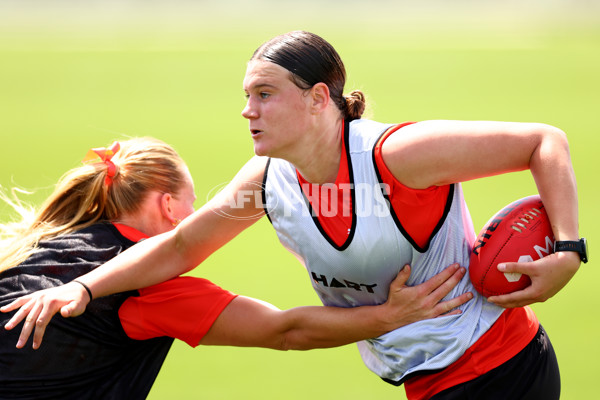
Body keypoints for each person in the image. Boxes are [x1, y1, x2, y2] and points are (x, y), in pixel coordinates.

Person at [2, 31, 585, 399]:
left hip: (499, 367)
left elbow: (543, 142)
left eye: (264, 94)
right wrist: (81, 287)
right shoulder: (264, 183)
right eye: (246, 95)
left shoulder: (397, 157)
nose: (246, 110)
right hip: (427, 379)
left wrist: (567, 252)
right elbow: (181, 248)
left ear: (317, 99)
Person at [0, 137, 470, 399]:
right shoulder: (150, 289)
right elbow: (286, 330)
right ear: (167, 206)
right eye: (191, 205)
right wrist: (388, 316)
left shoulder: (35, 246)